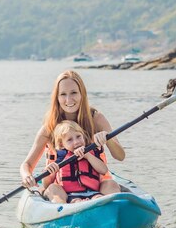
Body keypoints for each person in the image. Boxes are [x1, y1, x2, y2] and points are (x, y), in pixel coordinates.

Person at [20, 70, 124, 201]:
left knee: (111, 185)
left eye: (74, 93)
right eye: (63, 94)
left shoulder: (96, 119)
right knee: (53, 190)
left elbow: (120, 156)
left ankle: (110, 210)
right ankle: (66, 210)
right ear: (57, 98)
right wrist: (26, 176)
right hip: (62, 187)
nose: (68, 100)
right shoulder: (49, 127)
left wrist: (107, 138)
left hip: (96, 184)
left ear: (82, 94)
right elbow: (27, 164)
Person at [43, 120, 108, 203]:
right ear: (62, 144)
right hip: (71, 195)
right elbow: (46, 185)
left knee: (99, 198)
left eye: (78, 136)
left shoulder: (91, 153)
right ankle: (68, 210)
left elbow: (104, 170)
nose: (76, 142)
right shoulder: (61, 158)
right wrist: (48, 172)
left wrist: (88, 156)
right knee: (74, 200)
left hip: (93, 193)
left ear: (83, 136)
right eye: (70, 140)